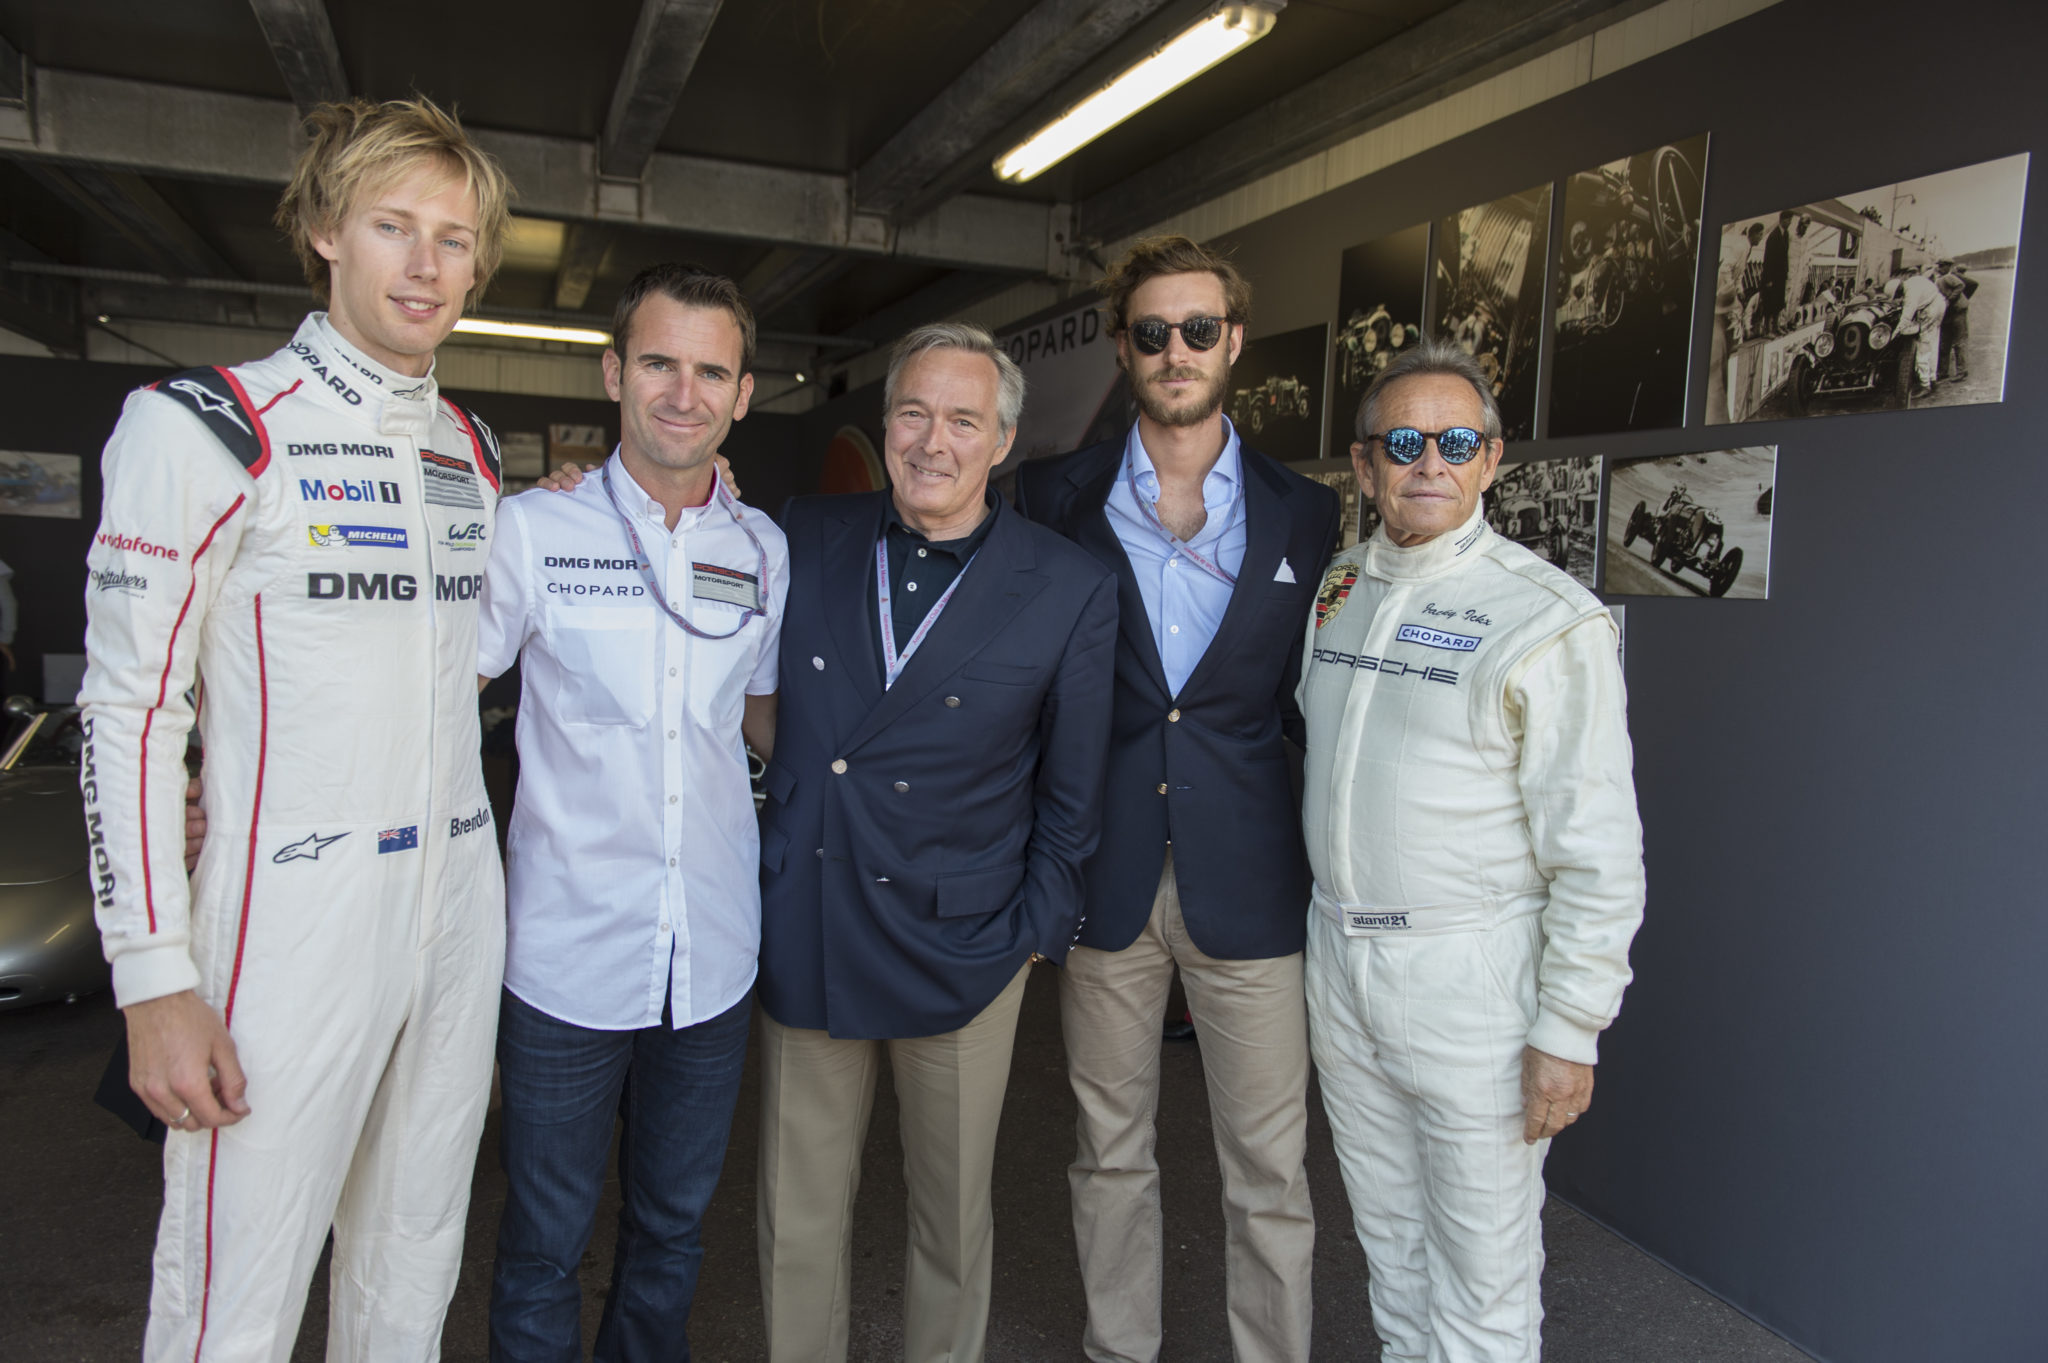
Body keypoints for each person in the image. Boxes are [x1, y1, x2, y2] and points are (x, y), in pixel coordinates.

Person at [77, 96, 513, 1360]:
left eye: (452, 238)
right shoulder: (207, 425)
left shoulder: (472, 449)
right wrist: (153, 976)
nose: (425, 264)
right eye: (392, 226)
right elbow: (129, 709)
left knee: (413, 1266)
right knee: (236, 1295)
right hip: (288, 913)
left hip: (458, 902)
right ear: (325, 230)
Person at [755, 321, 1118, 1363]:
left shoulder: (1068, 584)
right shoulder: (801, 533)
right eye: (912, 413)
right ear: (885, 425)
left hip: (964, 938)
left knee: (950, 1221)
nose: (932, 441)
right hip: (813, 917)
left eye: (962, 420)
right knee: (795, 1215)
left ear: (1001, 442)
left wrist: (1036, 928)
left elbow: (1073, 788)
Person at [1014, 235, 1338, 1363]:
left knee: (1270, 1167)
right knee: (1109, 1152)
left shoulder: (1306, 513)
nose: (1175, 351)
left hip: (1249, 879)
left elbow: (1316, 700)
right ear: (1124, 348)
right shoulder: (1050, 497)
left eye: (1198, 329)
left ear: (1233, 340)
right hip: (1105, 875)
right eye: (1151, 332)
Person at [1298, 339, 1645, 1363]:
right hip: (1340, 957)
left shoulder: (1547, 619)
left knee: (1483, 1275)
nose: (1428, 463)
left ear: (1490, 460)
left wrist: (1570, 1028)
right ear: (1364, 464)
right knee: (1391, 1249)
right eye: (1402, 442)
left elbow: (1597, 851)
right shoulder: (1337, 588)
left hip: (1468, 978)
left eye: (1455, 442)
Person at [477, 263, 786, 1361]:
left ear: (743, 394)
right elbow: (435, 694)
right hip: (564, 955)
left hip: (711, 954)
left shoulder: (761, 549)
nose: (682, 394)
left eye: (710, 371)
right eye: (659, 363)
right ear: (614, 374)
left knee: (671, 1232)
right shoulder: (532, 528)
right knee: (543, 1241)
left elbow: (764, 722)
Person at [1893, 264, 1948, 399]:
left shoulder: (1910, 293)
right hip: (1938, 303)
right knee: (1933, 344)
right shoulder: (1913, 281)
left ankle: (1925, 385)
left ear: (1899, 290)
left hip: (1930, 310)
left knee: (1922, 347)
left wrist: (1895, 333)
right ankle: (1932, 378)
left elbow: (1907, 316)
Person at [1934, 259, 1973, 381]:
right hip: (1948, 314)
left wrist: (1950, 299)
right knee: (1944, 343)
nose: (1939, 268)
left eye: (1942, 266)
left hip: (1957, 312)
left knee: (1959, 342)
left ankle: (1962, 371)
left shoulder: (1948, 277)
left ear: (1948, 267)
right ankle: (1942, 371)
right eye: (1939, 266)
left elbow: (1960, 285)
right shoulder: (1940, 279)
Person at [1758, 210, 1794, 336]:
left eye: (1790, 220)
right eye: (1788, 220)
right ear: (1782, 220)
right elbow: (1768, 259)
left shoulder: (1786, 234)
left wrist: (1786, 272)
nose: (1789, 223)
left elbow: (1785, 256)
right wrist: (1768, 279)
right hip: (1772, 276)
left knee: (1779, 303)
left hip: (1781, 276)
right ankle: (1767, 330)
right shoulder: (1773, 236)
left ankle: (1775, 327)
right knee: (1769, 303)